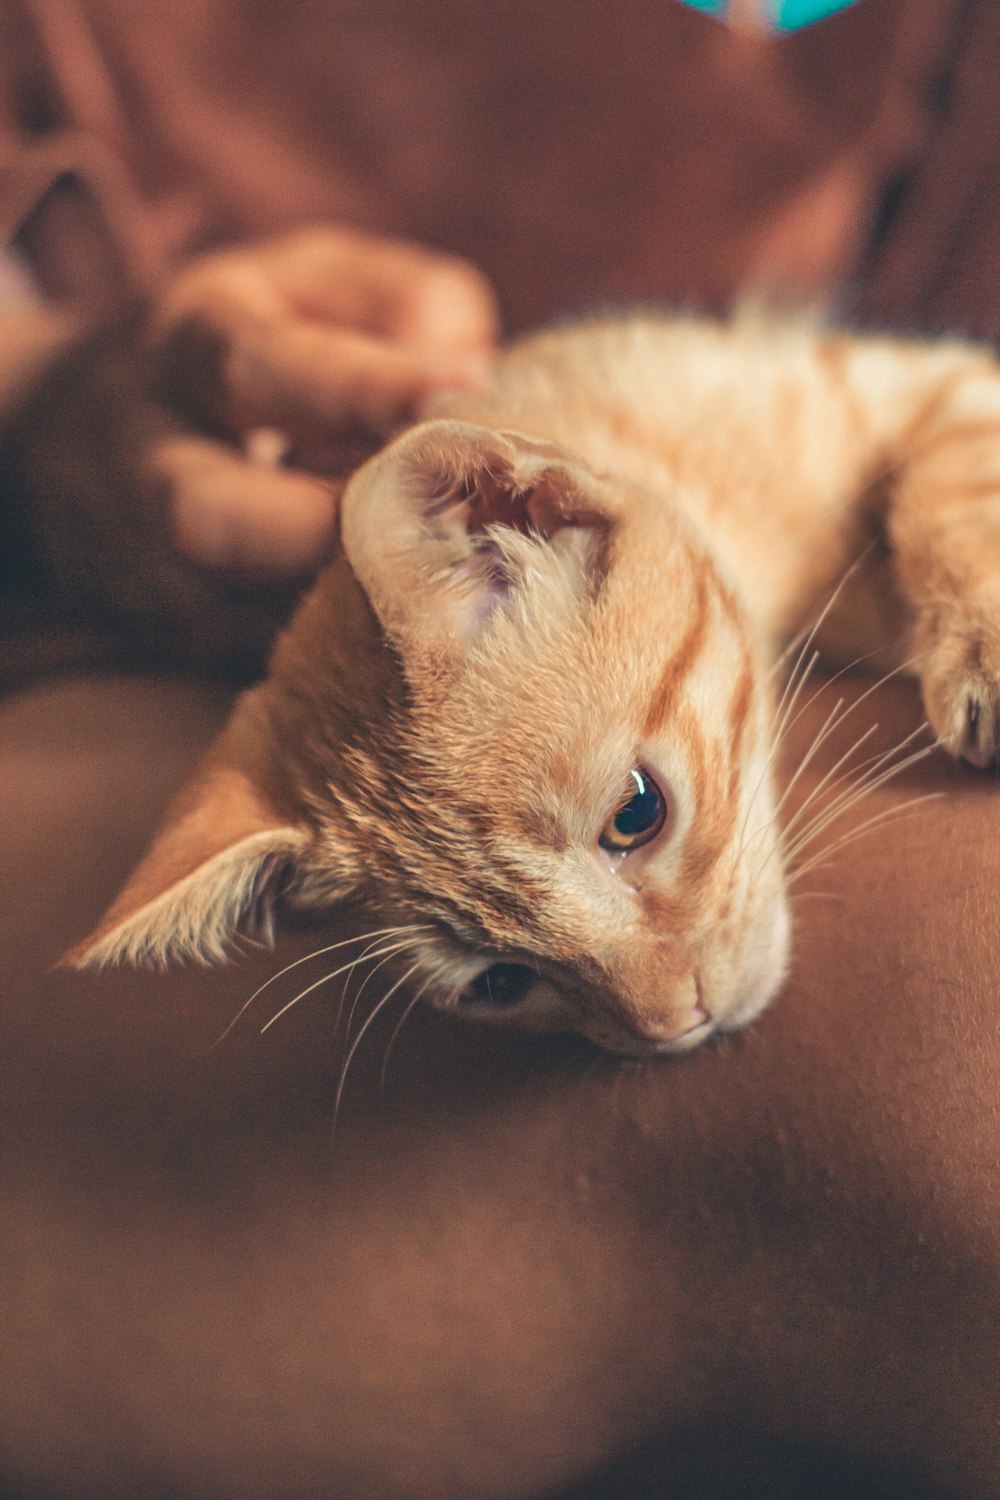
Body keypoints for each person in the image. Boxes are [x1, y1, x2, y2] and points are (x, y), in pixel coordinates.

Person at [1, 2, 998, 1495]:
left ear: (529, 516)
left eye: (634, 818)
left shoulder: (605, 507)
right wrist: (46, 397)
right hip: (113, 639)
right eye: (505, 978)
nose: (660, 1015)